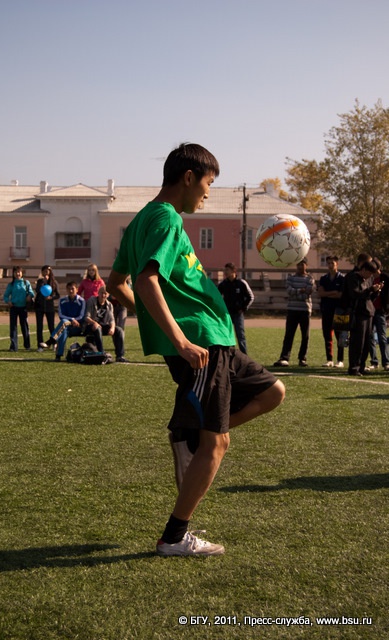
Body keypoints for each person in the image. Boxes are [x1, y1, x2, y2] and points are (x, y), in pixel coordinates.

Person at [107, 143, 285, 557]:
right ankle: (174, 537)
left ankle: (192, 434)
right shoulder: (165, 218)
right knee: (217, 444)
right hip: (203, 345)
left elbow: (118, 284)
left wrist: (166, 324)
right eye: (208, 183)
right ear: (188, 177)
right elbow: (145, 281)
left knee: (273, 392)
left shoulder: (141, 220)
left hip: (218, 340)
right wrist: (180, 338)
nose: (207, 193)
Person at [273, 258, 315, 367]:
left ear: (306, 265)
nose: (300, 267)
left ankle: (302, 358)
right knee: (289, 334)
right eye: (298, 264)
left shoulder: (310, 278)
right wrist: (300, 290)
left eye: (302, 264)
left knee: (305, 335)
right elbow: (289, 291)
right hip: (292, 309)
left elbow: (307, 293)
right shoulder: (290, 278)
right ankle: (284, 357)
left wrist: (296, 292)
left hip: (304, 310)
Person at [342, 260, 380, 376]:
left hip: (369, 312)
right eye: (369, 273)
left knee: (367, 342)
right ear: (363, 270)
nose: (370, 276)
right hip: (358, 313)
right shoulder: (353, 278)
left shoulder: (368, 280)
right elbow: (355, 294)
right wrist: (370, 290)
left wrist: (376, 292)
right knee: (357, 341)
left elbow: (369, 298)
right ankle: (354, 367)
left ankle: (361, 367)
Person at [43, 282, 86, 361]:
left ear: (77, 289)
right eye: (69, 289)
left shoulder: (82, 301)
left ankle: (51, 341)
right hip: (66, 325)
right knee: (63, 329)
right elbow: (61, 315)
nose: (71, 291)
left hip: (77, 326)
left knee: (63, 325)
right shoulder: (62, 300)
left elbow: (81, 316)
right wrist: (72, 320)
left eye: (72, 289)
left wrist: (74, 321)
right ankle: (58, 355)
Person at [84, 285, 127, 362]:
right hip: (91, 326)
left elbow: (112, 319)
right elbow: (87, 317)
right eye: (102, 293)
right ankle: (101, 353)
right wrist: (94, 323)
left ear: (108, 295)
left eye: (105, 293)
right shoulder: (92, 300)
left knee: (119, 330)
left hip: (102, 326)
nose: (103, 295)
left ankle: (120, 356)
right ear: (98, 293)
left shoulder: (109, 305)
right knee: (98, 328)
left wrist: (112, 328)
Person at [218, 262, 254, 354]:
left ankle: (244, 355)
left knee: (240, 335)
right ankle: (229, 354)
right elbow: (217, 297)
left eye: (227, 270)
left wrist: (243, 308)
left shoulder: (241, 283)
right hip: (227, 314)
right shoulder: (223, 284)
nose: (225, 272)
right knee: (228, 335)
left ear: (234, 271)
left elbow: (250, 297)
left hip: (238, 314)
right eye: (225, 270)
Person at [317, 256, 345, 367]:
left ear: (337, 264)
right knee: (327, 335)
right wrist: (333, 292)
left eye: (332, 263)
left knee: (339, 336)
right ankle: (329, 359)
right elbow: (321, 293)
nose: (330, 265)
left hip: (338, 311)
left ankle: (340, 360)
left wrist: (327, 294)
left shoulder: (342, 278)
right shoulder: (323, 278)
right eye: (328, 263)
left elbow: (340, 295)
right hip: (326, 310)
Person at [3, 266, 35, 352]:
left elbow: (31, 292)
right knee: (13, 327)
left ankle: (27, 345)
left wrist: (29, 296)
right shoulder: (11, 285)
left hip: (23, 308)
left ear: (22, 273)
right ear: (13, 274)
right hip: (14, 307)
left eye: (19, 272)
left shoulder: (26, 283)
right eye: (16, 272)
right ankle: (14, 346)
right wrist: (8, 301)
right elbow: (5, 296)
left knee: (24, 327)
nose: (18, 274)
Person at [368, 258, 389, 370]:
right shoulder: (369, 279)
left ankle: (386, 362)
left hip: (381, 311)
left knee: (382, 337)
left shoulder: (385, 278)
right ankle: (374, 362)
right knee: (370, 337)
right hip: (370, 311)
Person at [34, 265, 60, 352]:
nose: (46, 273)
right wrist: (43, 283)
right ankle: (40, 345)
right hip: (39, 307)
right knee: (39, 327)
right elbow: (37, 290)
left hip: (49, 307)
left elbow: (58, 295)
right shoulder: (39, 282)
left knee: (51, 326)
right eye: (44, 271)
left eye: (47, 271)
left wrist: (51, 298)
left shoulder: (54, 282)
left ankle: (54, 343)